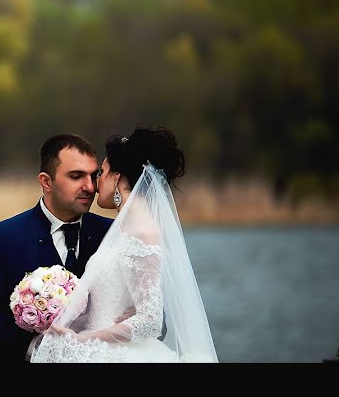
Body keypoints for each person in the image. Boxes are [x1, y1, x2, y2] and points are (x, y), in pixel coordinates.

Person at [30, 126, 218, 363]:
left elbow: (150, 321)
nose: (94, 184)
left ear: (116, 177)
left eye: (102, 173)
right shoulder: (121, 229)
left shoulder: (143, 231)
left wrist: (83, 341)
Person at [0, 134, 116, 363]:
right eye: (76, 176)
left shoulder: (113, 234)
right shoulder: (1, 237)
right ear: (46, 181)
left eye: (93, 176)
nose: (89, 186)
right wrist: (34, 348)